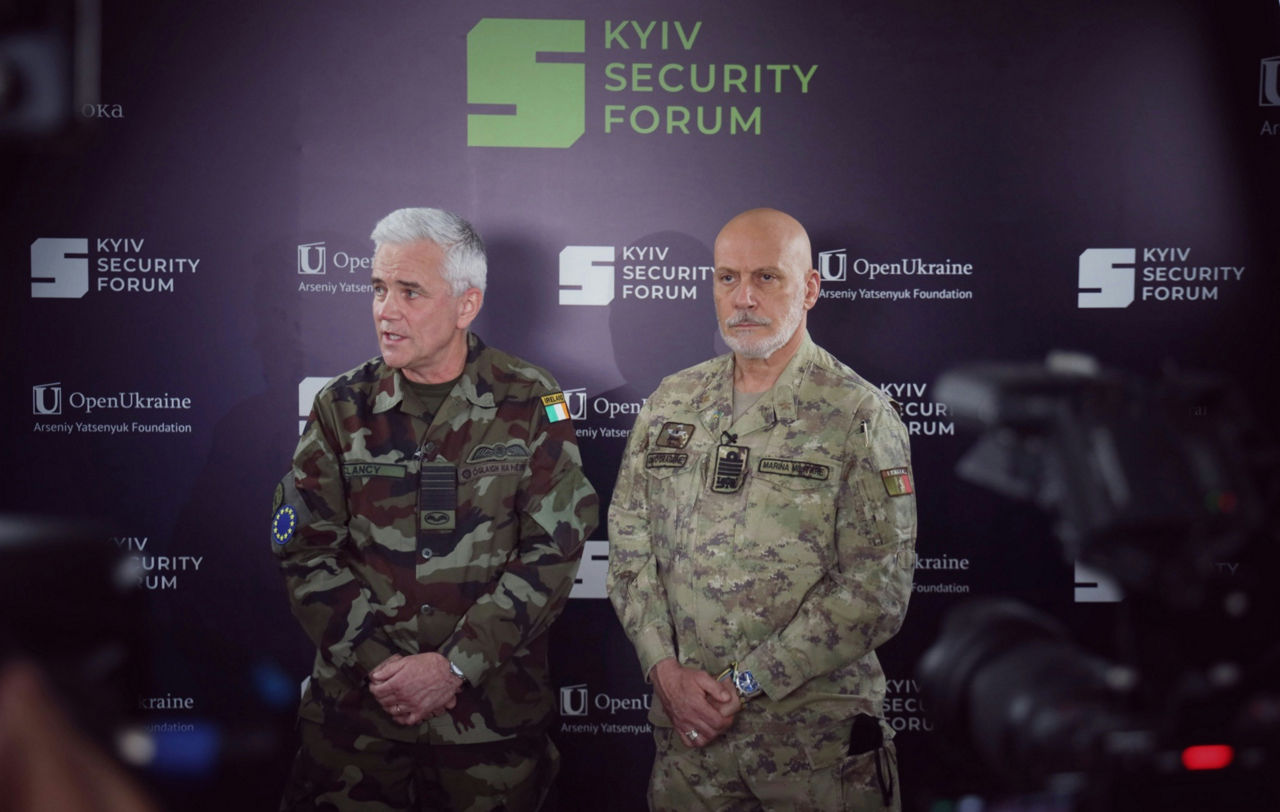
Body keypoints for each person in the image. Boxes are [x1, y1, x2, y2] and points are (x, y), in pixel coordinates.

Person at [271, 207, 598, 811]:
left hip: (488, 731)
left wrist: (452, 669)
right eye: (378, 289)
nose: (385, 310)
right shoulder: (340, 407)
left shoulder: (532, 399)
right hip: (357, 733)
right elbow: (305, 550)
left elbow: (552, 553)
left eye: (409, 292)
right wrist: (384, 669)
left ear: (466, 305)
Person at [607, 208, 917, 811]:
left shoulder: (857, 414)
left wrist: (745, 683)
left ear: (810, 288)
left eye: (766, 278)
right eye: (727, 278)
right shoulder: (673, 400)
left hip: (812, 751)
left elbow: (877, 589)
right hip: (688, 745)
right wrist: (663, 670)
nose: (743, 298)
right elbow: (628, 545)